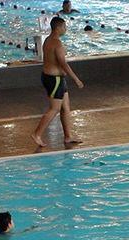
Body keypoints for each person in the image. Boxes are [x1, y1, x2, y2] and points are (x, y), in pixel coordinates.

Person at [32, 17, 83, 150]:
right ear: (58, 28)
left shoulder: (48, 41)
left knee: (65, 107)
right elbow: (63, 64)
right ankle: (37, 134)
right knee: (54, 109)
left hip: (53, 78)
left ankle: (68, 137)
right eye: (64, 27)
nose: (65, 29)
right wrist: (76, 79)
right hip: (55, 80)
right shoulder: (57, 44)